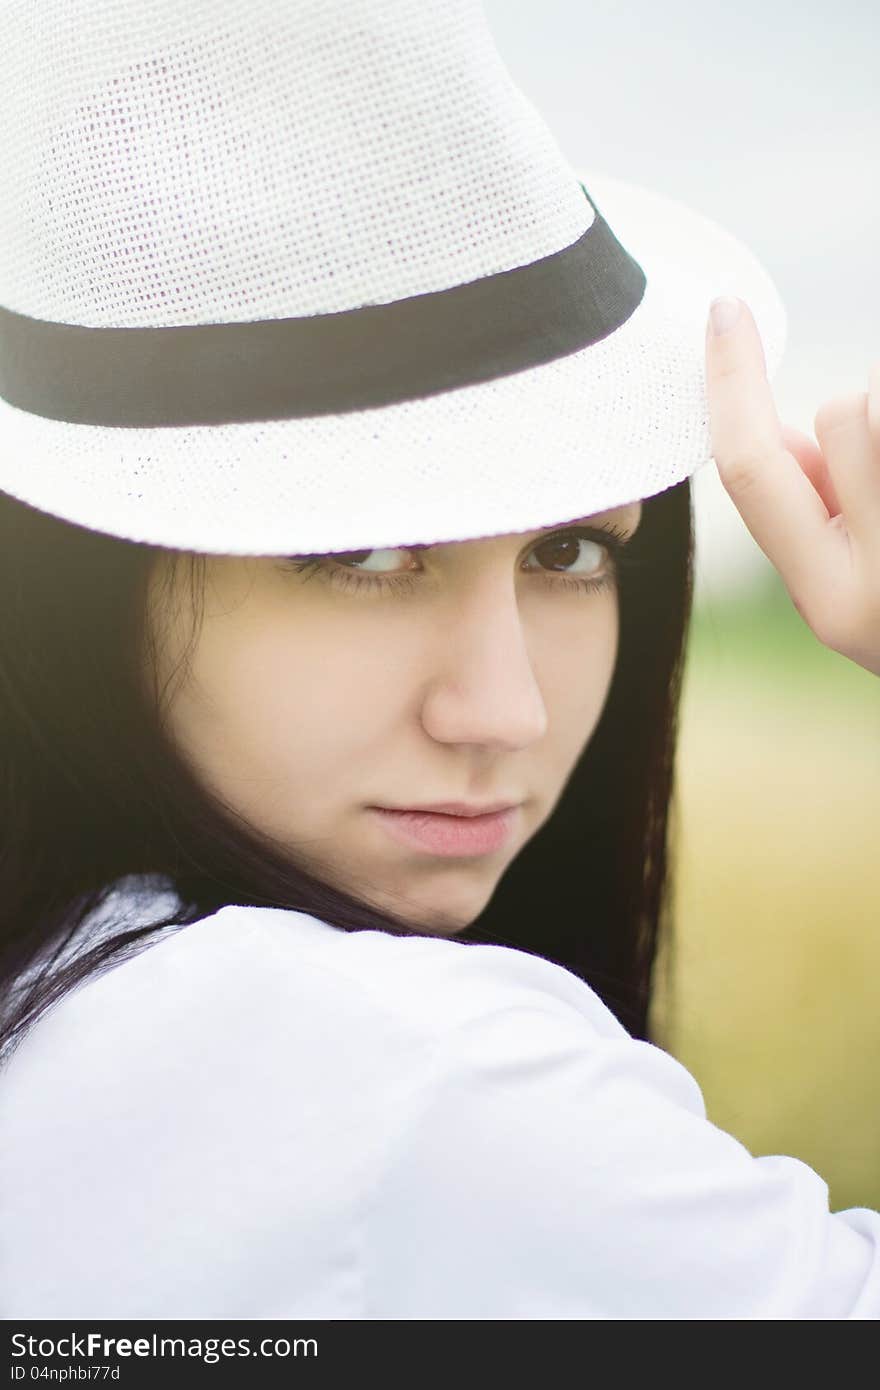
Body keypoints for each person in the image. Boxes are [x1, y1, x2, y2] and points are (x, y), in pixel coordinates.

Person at [0, 0, 877, 1319]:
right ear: (92, 576)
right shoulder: (416, 1083)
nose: (505, 710)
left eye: (570, 551)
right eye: (364, 555)